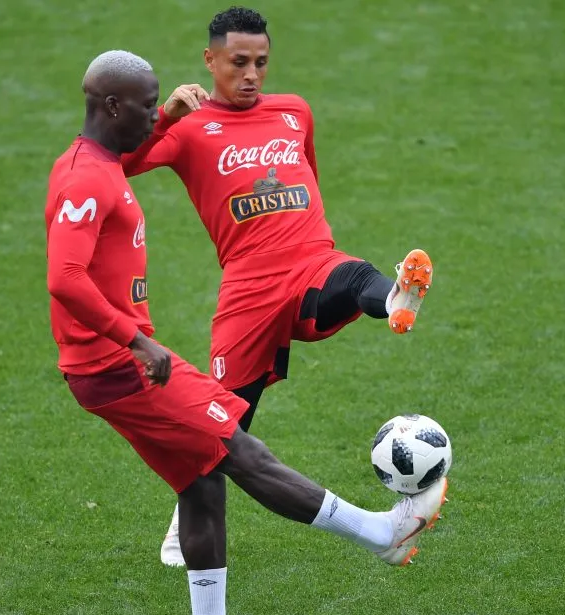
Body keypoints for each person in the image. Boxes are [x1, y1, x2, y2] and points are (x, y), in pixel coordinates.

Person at [46, 50, 448, 615]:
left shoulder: (95, 164)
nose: (164, 114)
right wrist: (137, 340)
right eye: (152, 106)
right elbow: (65, 278)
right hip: (119, 365)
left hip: (111, 363)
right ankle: (381, 533)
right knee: (241, 450)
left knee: (200, 479)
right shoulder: (85, 178)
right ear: (113, 107)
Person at [119, 6, 436, 567]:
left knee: (357, 274)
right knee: (227, 417)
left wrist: (310, 238)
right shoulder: (190, 129)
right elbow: (120, 164)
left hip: (312, 258)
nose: (251, 75)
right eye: (238, 63)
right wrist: (165, 114)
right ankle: (182, 518)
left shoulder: (294, 112)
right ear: (209, 60)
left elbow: (308, 176)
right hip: (247, 286)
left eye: (261, 63)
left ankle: (392, 299)